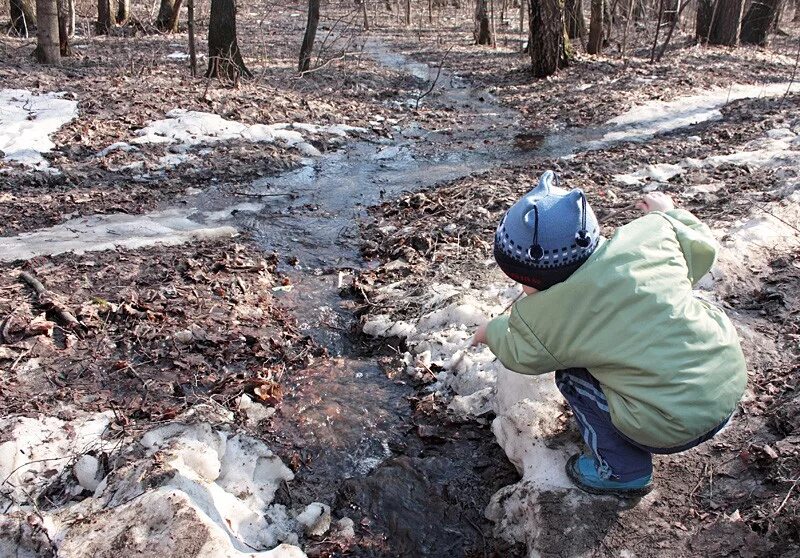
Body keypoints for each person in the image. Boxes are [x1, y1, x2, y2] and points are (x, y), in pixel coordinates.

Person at [471, 170, 747, 497]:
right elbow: (700, 245)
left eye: (521, 280)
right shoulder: (654, 235)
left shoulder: (551, 318)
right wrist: (668, 213)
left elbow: (523, 353)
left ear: (535, 280)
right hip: (728, 384)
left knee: (571, 375)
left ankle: (623, 472)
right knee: (677, 304)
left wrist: (491, 331)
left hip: (670, 426)